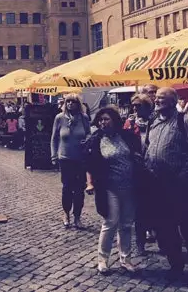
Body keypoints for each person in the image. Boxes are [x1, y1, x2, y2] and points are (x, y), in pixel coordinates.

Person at [145, 87, 188, 280]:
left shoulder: (184, 121)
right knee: (164, 225)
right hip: (156, 183)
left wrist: (184, 177)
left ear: (172, 102)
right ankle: (176, 263)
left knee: (186, 222)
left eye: (162, 99)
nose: (157, 101)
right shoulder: (152, 122)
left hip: (178, 182)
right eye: (156, 99)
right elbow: (147, 147)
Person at [87, 106, 140, 274]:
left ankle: (126, 259)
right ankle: (102, 259)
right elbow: (89, 164)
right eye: (101, 119)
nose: (103, 122)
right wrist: (90, 183)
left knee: (126, 224)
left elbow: (136, 154)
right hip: (110, 188)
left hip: (130, 186)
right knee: (110, 222)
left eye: (106, 119)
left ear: (114, 120)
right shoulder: (96, 140)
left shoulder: (126, 136)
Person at [51, 93, 91, 229]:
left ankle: (78, 217)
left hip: (80, 158)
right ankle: (66, 213)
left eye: (73, 102)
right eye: (68, 102)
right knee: (67, 188)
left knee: (79, 189)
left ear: (78, 104)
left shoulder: (83, 118)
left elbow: (89, 133)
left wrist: (87, 139)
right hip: (65, 158)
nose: (70, 104)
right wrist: (53, 156)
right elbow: (54, 138)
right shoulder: (59, 118)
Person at [123, 93, 154, 255]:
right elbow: (124, 144)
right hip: (137, 170)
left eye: (138, 106)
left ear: (147, 107)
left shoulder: (155, 121)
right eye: (133, 106)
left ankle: (161, 239)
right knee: (139, 210)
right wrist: (129, 129)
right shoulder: (129, 123)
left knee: (155, 207)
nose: (135, 109)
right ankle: (140, 243)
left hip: (153, 169)